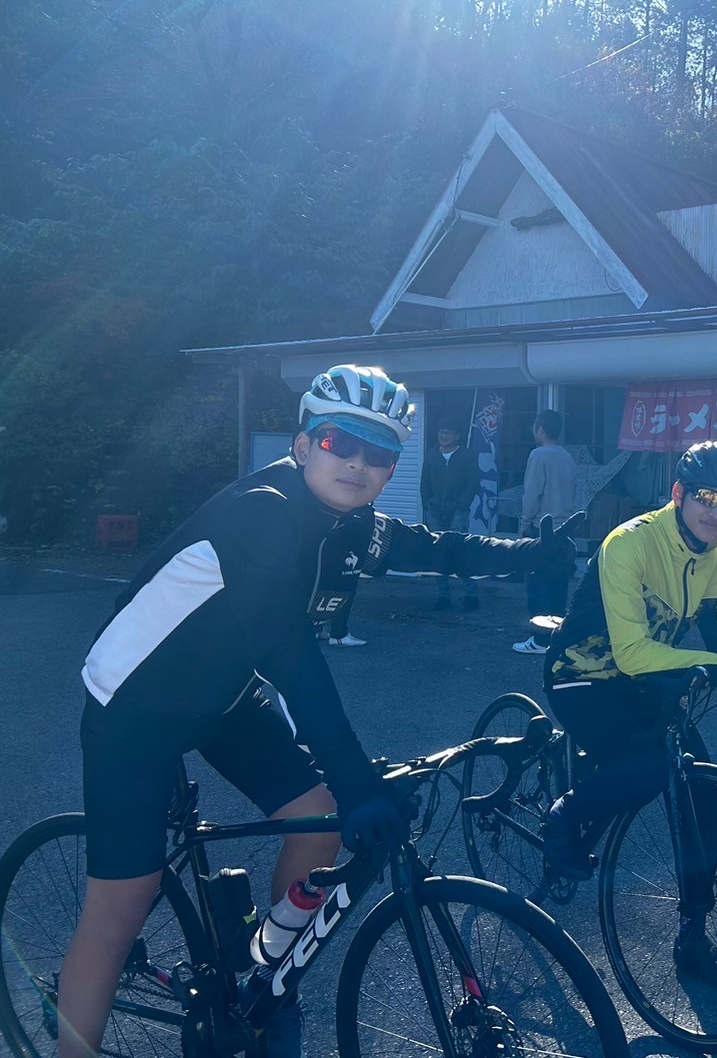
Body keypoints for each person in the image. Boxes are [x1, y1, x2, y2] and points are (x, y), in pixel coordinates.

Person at [58, 364, 576, 1058]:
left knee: (318, 822)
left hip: (223, 694)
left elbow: (433, 546)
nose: (358, 463)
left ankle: (265, 976)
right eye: (340, 442)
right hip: (135, 706)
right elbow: (292, 662)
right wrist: (358, 782)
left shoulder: (347, 522)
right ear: (303, 445)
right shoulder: (261, 514)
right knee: (121, 906)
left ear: (391, 467)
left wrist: (532, 553)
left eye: (379, 453)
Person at [542, 440, 717, 989]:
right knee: (647, 771)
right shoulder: (628, 543)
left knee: (703, 794)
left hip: (646, 684)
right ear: (678, 494)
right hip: (581, 676)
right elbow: (633, 654)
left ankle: (694, 938)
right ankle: (564, 814)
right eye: (706, 497)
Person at [513, 409, 579, 655]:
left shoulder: (538, 455)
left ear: (540, 429)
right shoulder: (567, 457)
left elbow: (532, 494)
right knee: (558, 586)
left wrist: (524, 524)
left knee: (538, 585)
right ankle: (556, 638)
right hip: (565, 530)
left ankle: (539, 641)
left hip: (543, 529)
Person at [420, 419, 483, 611]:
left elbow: (473, 483)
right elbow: (424, 483)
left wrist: (462, 505)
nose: (444, 436)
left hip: (458, 511)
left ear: (457, 436)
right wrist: (428, 504)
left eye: (448, 433)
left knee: (460, 551)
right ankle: (443, 596)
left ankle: (471, 594)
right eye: (441, 432)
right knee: (439, 553)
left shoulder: (467, 456)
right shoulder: (431, 456)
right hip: (435, 511)